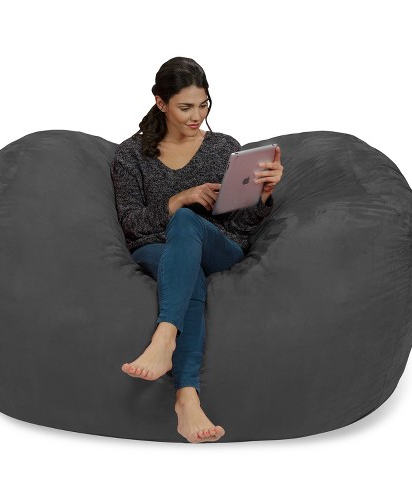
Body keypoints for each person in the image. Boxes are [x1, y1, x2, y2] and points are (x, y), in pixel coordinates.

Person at [110, 56, 283, 443]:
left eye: (203, 105)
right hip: (155, 249)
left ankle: (164, 338)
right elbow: (131, 224)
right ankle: (187, 399)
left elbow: (240, 227)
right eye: (185, 107)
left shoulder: (223, 148)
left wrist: (263, 195)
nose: (197, 116)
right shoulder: (131, 155)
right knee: (187, 275)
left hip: (219, 246)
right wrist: (179, 198)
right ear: (160, 103)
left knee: (188, 222)